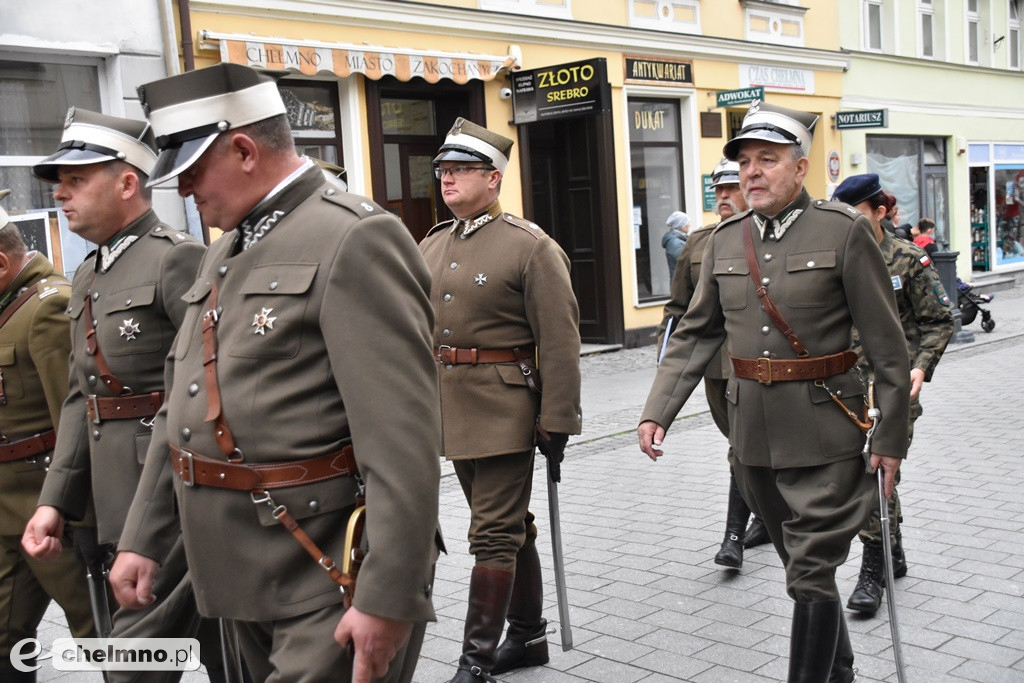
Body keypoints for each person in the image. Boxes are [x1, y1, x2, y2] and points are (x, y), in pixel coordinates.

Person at [107, 63, 442, 683]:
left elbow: (403, 443)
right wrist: (142, 538)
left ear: (242, 150)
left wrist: (388, 594)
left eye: (191, 172)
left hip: (325, 567)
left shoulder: (354, 237)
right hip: (238, 569)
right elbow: (180, 410)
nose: (183, 192)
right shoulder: (225, 249)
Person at [637, 101, 910, 683]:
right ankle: (839, 671)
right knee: (799, 567)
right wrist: (657, 409)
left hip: (828, 430)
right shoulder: (724, 240)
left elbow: (888, 348)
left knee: (810, 568)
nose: (752, 171)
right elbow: (696, 333)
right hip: (753, 435)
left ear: (800, 168)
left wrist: (892, 437)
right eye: (745, 161)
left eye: (768, 159)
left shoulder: (843, 231)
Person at [20, 109, 220, 683]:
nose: (60, 193)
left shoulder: (174, 258)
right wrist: (57, 498)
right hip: (108, 503)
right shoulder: (87, 274)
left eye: (76, 179)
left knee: (156, 663)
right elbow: (83, 397)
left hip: (172, 500)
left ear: (128, 183)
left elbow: (200, 385)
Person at [420, 117, 582, 682]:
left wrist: (557, 420)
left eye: (461, 169)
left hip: (506, 410)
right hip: (449, 407)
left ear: (493, 179)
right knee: (512, 526)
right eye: (443, 169)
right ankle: (529, 637)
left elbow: (559, 342)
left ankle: (477, 661)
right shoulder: (434, 242)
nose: (447, 178)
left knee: (491, 533)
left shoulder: (530, 246)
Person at [831, 174, 953, 616]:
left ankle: (872, 573)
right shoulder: (833, 256)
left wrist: (921, 366)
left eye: (857, 215)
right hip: (843, 386)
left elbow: (940, 320)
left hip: (892, 385)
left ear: (880, 212)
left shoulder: (907, 258)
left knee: (878, 472)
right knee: (860, 471)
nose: (848, 223)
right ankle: (893, 550)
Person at [0, 192, 95, 682]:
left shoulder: (47, 307)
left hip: (49, 509)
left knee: (103, 639)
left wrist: (77, 514)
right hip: (7, 505)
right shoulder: (7, 306)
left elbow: (74, 418)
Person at [656, 159, 768, 570]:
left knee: (743, 449)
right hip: (717, 369)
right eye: (717, 189)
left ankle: (733, 537)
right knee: (741, 447)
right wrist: (666, 366)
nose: (722, 196)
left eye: (731, 188)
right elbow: (678, 309)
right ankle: (767, 515)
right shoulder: (700, 242)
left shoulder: (774, 235)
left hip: (765, 366)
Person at [662, 211, 689, 280]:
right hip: (680, 284)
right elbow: (685, 264)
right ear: (680, 225)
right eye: (686, 223)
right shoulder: (675, 243)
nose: (689, 225)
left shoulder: (679, 239)